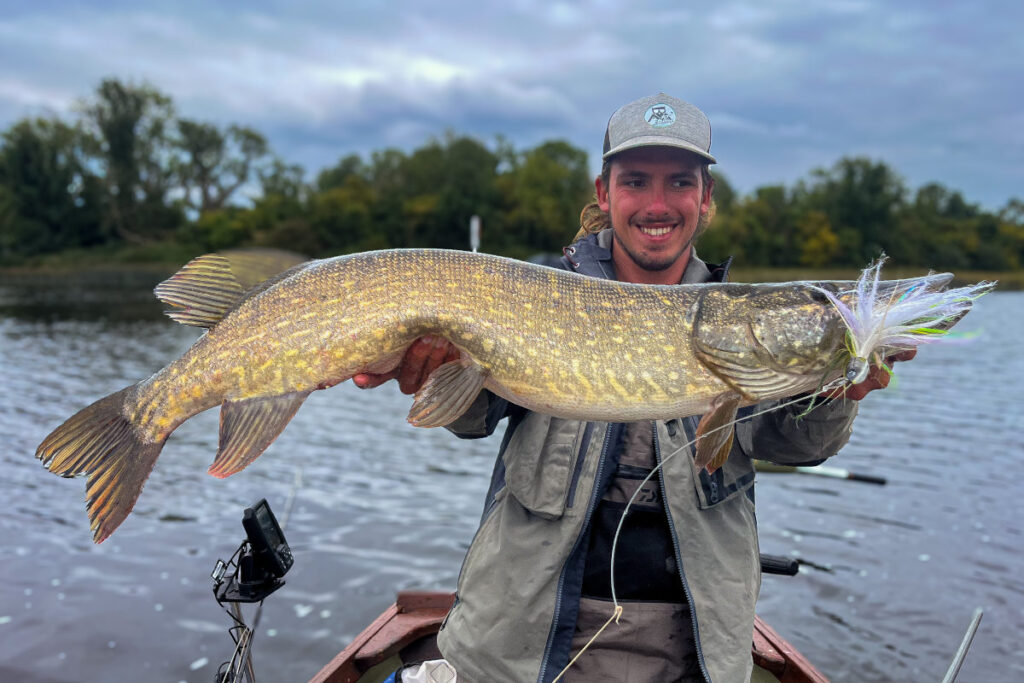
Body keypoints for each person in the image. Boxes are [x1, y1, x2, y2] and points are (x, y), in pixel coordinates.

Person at [354, 93, 912, 682]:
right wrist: (432, 368)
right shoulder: (538, 292)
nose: (657, 204)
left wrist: (832, 390)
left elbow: (796, 446)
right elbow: (473, 419)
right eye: (636, 181)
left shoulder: (738, 325)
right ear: (604, 193)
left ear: (705, 198)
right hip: (519, 641)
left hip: (689, 652)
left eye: (680, 183)